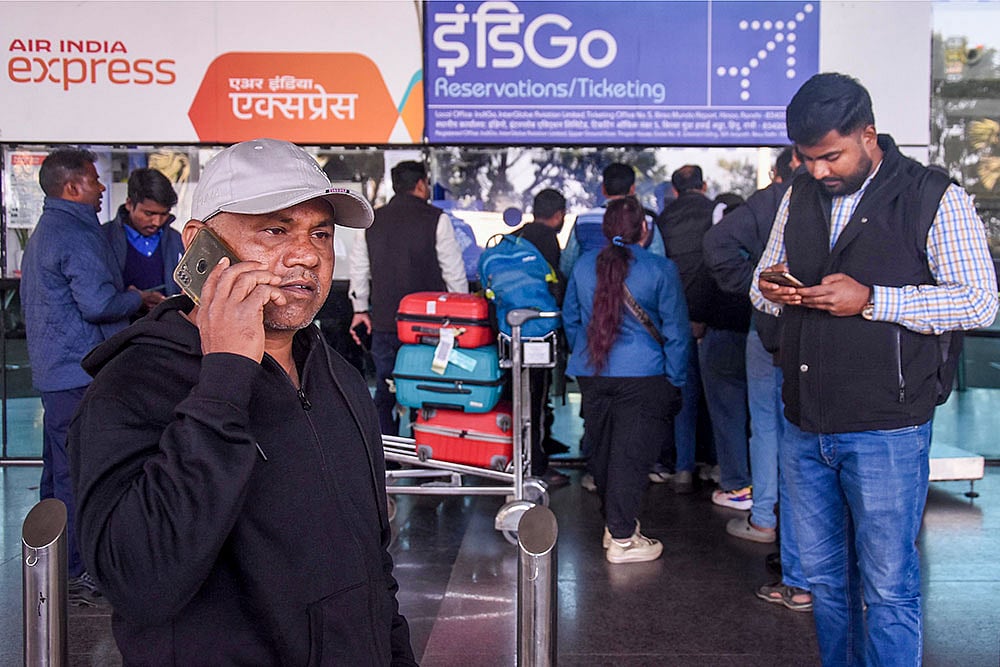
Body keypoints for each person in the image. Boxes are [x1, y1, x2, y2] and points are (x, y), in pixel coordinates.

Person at [69, 138, 417, 665]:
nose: (305, 255)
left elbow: (374, 565)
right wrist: (225, 378)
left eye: (320, 233)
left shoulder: (339, 377)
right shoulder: (130, 386)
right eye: (275, 229)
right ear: (199, 244)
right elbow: (140, 582)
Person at [753, 73, 998, 665]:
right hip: (805, 424)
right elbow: (761, 286)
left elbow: (980, 300)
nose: (818, 171)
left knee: (888, 588)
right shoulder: (798, 197)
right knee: (826, 585)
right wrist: (773, 290)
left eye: (830, 156)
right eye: (805, 159)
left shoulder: (935, 196)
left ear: (869, 135)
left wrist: (873, 299)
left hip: (888, 426)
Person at [19, 148, 150, 602]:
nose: (100, 190)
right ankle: (82, 571)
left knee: (57, 475)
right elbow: (98, 304)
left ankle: (55, 569)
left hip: (55, 373)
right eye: (94, 181)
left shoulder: (46, 230)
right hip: (80, 372)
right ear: (73, 186)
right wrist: (137, 298)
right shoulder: (77, 232)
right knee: (82, 475)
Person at [703, 147, 812, 613]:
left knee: (767, 425)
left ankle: (765, 517)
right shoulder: (846, 196)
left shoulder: (770, 201)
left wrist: (760, 288)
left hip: (770, 332)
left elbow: (717, 245)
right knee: (814, 434)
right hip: (828, 333)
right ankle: (817, 556)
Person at [563, 196, 690, 563]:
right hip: (645, 375)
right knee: (631, 456)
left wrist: (585, 354)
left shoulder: (585, 266)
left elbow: (571, 319)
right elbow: (677, 332)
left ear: (605, 229)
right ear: (645, 230)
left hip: (594, 373)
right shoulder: (660, 269)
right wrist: (675, 380)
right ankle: (621, 538)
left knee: (601, 451)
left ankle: (615, 525)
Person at [349, 160, 468, 436]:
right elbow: (454, 274)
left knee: (386, 388)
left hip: (385, 323)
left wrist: (360, 309)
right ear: (421, 184)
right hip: (429, 326)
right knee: (426, 388)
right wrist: (461, 312)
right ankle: (423, 456)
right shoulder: (437, 219)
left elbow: (359, 270)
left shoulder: (372, 222)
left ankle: (386, 460)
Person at [658, 165, 752, 504]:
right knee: (726, 406)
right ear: (704, 185)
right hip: (715, 322)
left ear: (674, 189)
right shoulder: (718, 221)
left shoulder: (663, 220)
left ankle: (683, 468)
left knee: (685, 397)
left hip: (675, 319)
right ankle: (719, 466)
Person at [512, 188, 569, 486]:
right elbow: (554, 285)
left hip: (510, 329)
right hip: (538, 330)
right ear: (558, 215)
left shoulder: (515, 237)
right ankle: (536, 465)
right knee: (536, 395)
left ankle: (520, 456)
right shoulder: (548, 240)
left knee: (519, 397)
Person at [559, 162, 666, 278]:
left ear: (603, 189)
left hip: (590, 292)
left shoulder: (582, 221)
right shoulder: (647, 222)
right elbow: (659, 264)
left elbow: (567, 266)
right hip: (637, 292)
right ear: (632, 189)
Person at [103, 167, 185, 318]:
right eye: (149, 213)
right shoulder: (103, 238)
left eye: (164, 214)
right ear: (129, 204)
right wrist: (134, 299)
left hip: (166, 330)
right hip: (120, 333)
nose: (157, 222)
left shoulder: (177, 240)